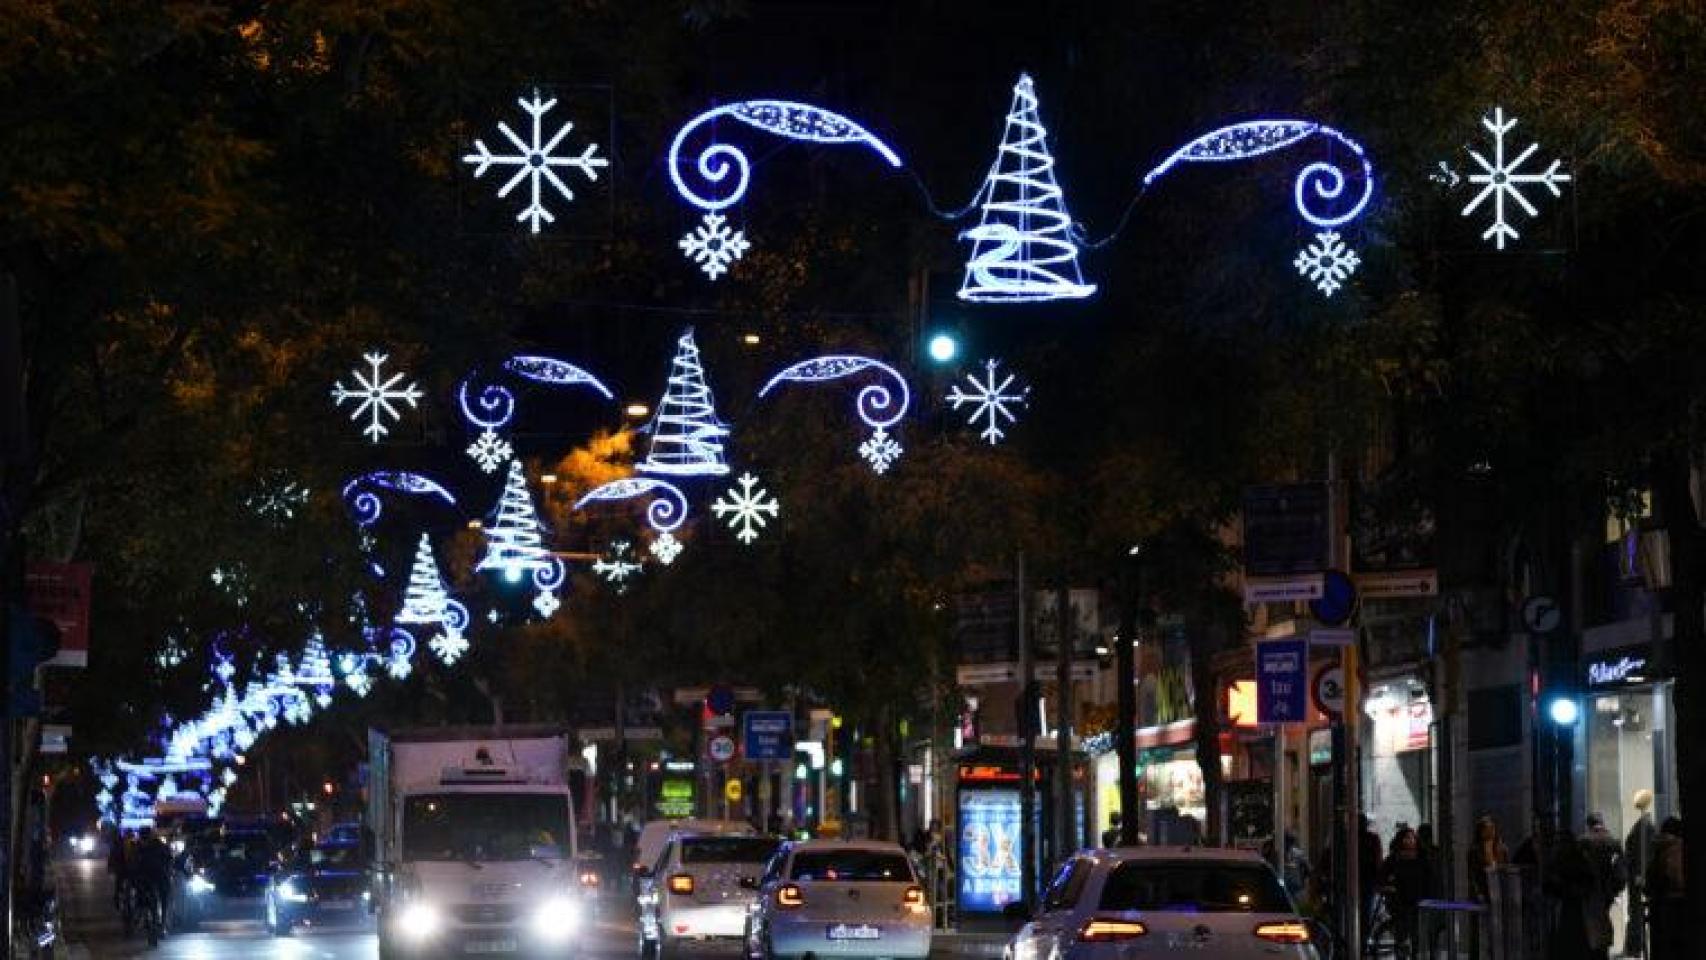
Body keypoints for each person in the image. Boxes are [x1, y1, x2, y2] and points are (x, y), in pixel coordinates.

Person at [1579, 813, 1627, 960]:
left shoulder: (1583, 841)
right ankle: (1602, 952)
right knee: (1604, 919)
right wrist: (1616, 888)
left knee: (1591, 922)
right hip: (1608, 890)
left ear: (1589, 825)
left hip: (1589, 889)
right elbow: (1621, 869)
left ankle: (1594, 952)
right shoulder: (1613, 842)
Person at [1380, 826, 1431, 957]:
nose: (1410, 840)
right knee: (1401, 932)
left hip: (1418, 900)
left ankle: (1415, 954)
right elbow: (1382, 876)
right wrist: (1388, 886)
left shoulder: (1422, 858)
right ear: (1401, 840)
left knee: (1416, 933)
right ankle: (1401, 954)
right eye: (1407, 838)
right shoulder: (1394, 858)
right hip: (1399, 901)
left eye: (1412, 837)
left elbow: (1429, 878)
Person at [1624, 789, 1656, 958]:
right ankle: (1636, 947)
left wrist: (1640, 874)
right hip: (1639, 876)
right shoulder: (1645, 827)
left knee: (1636, 913)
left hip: (1638, 878)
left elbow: (1643, 854)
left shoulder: (1643, 828)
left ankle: (1636, 947)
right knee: (1636, 913)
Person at [1646, 817, 1684, 960]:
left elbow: (1649, 880)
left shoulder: (1657, 849)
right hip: (1677, 906)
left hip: (1659, 905)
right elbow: (1678, 879)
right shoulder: (1677, 848)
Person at [133, 827, 174, 935]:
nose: (144, 840)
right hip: (148, 879)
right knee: (143, 897)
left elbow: (169, 860)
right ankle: (145, 917)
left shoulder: (159, 847)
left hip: (159, 878)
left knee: (163, 899)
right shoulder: (138, 848)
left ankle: (162, 924)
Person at [1467, 815, 1510, 903]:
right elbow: (1473, 875)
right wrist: (1478, 893)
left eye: (1492, 828)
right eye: (1487, 829)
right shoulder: (1475, 851)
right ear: (1481, 831)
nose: (1490, 831)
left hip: (1499, 889)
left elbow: (1506, 869)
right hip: (1483, 890)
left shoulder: (1502, 849)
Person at [1358, 815, 1383, 937]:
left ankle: (1363, 938)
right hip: (1368, 881)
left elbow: (1378, 861)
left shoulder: (1351, 839)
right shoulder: (1373, 839)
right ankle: (1365, 937)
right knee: (1366, 911)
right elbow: (1378, 861)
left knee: (1365, 911)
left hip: (1365, 881)